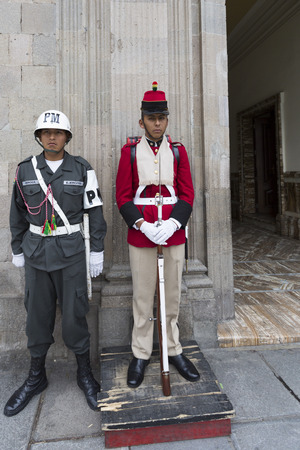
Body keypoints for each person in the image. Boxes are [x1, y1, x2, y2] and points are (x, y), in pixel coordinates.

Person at [4, 110, 107, 416]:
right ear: (39, 136)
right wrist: (17, 249)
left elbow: (96, 211)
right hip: (36, 254)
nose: (52, 136)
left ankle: (83, 372)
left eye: (58, 132)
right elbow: (17, 213)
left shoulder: (82, 169)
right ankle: (36, 377)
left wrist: (96, 251)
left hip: (72, 253)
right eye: (46, 132)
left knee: (76, 312)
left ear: (67, 137)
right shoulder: (25, 170)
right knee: (36, 315)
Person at [116, 82, 200, 388]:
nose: (157, 123)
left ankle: (173, 350)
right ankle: (141, 353)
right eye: (151, 118)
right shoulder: (129, 152)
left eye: (161, 118)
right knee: (142, 296)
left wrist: (174, 224)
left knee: (172, 297)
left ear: (167, 119)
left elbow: (188, 194)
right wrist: (142, 224)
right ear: (142, 121)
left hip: (173, 234)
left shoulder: (178, 152)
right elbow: (123, 196)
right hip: (143, 235)